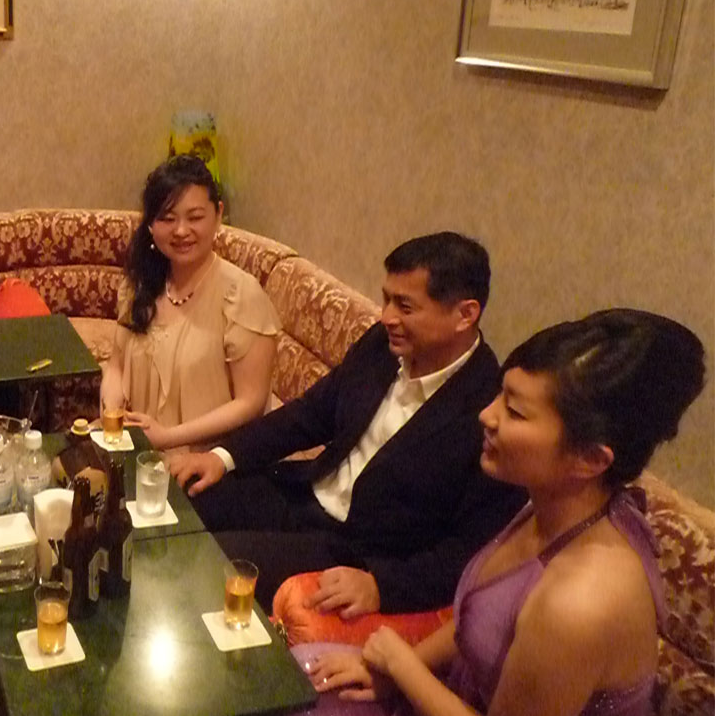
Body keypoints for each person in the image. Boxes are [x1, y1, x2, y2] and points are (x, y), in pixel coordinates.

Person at [301, 309, 706, 716]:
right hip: (460, 704)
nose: (487, 415)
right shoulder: (556, 505)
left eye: (514, 411)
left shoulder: (578, 604)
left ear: (590, 459)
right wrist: (397, 669)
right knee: (304, 674)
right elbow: (483, 618)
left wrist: (401, 665)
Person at [170, 232, 526, 611]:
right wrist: (222, 456)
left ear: (465, 315)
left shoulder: (490, 411)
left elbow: (470, 551)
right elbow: (310, 414)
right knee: (179, 498)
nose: (387, 317)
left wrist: (381, 586)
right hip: (305, 494)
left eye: (405, 306)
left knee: (210, 562)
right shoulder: (382, 346)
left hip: (356, 548)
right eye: (387, 299)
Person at [100, 154, 280, 451]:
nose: (181, 231)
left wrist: (168, 437)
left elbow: (251, 402)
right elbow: (116, 367)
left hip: (210, 462)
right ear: (150, 225)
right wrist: (112, 411)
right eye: (167, 219)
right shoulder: (140, 284)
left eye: (195, 217)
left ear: (218, 215)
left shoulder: (241, 295)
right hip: (138, 450)